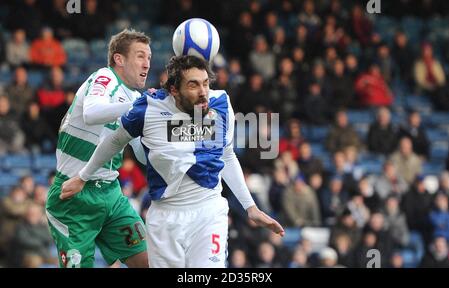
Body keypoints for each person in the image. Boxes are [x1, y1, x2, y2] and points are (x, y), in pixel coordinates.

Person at [61, 55, 285, 268]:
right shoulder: (148, 108)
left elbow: (226, 154)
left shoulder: (221, 103)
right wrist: (83, 177)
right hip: (166, 217)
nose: (203, 92)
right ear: (173, 90)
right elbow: (114, 141)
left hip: (209, 210)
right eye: (193, 85)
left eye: (206, 83)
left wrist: (251, 207)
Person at [45, 29, 151, 268]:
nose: (147, 64)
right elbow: (91, 113)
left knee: (149, 262)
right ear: (119, 59)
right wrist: (137, 106)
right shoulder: (104, 77)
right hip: (74, 199)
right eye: (140, 56)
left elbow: (142, 156)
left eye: (149, 58)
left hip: (111, 195)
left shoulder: (134, 97)